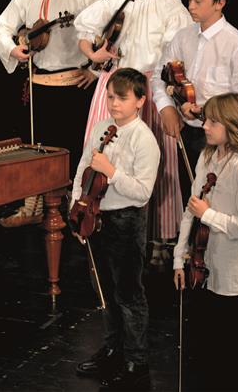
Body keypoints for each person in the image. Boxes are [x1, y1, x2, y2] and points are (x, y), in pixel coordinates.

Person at [74, 0, 192, 253]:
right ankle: (99, 222)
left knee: (152, 160)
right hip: (115, 84)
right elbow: (83, 28)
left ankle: (154, 237)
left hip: (149, 89)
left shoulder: (168, 1)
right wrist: (94, 55)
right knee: (103, 154)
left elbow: (176, 51)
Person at [0, 0, 101, 227]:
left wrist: (94, 70)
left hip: (72, 85)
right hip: (38, 82)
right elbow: (1, 28)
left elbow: (108, 32)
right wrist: (13, 49)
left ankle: (71, 210)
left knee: (69, 151)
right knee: (34, 148)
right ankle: (32, 205)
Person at [71, 68, 160, 390]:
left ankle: (136, 360)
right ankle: (112, 349)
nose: (114, 103)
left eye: (122, 98)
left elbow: (142, 192)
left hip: (126, 221)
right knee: (106, 293)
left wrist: (112, 172)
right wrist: (76, 206)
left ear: (140, 101)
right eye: (110, 96)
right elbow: (84, 165)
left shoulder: (144, 139)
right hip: (97, 218)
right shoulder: (100, 128)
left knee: (129, 294)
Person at [173, 93, 238, 391]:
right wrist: (179, 256)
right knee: (210, 351)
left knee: (236, 356)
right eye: (206, 120)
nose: (205, 126)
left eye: (213, 121)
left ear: (232, 124)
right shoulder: (207, 156)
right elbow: (192, 206)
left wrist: (210, 215)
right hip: (209, 265)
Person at [151, 0, 238, 169]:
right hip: (184, 131)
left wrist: (207, 112)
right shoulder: (182, 37)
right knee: (187, 195)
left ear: (219, 3)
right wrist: (166, 108)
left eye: (198, 1)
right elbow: (160, 75)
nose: (190, 6)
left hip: (222, 137)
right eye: (190, 0)